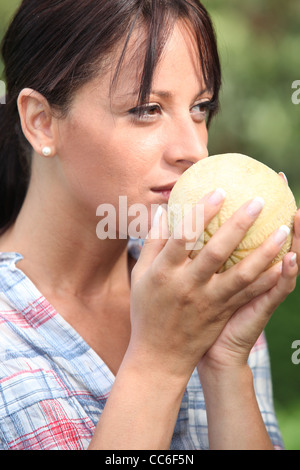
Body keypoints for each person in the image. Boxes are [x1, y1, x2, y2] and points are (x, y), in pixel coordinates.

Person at [0, 0, 299, 451]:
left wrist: (226, 362)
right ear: (41, 122)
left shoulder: (204, 286)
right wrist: (160, 360)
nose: (193, 148)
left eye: (201, 107)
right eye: (147, 109)